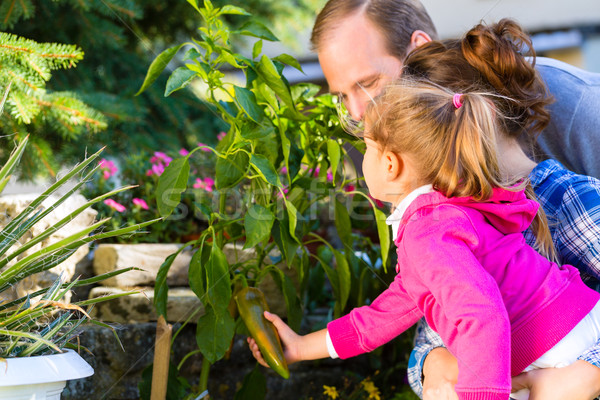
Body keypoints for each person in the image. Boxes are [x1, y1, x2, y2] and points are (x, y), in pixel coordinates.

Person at [247, 73, 600, 400]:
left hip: (553, 343)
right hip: (568, 325)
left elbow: (482, 316)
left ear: (390, 164)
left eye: (367, 147)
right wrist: (300, 347)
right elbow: (384, 315)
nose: (362, 158)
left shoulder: (427, 232)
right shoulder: (443, 215)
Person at [310, 1, 600, 398]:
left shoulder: (575, 129)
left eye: (368, 83)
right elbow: (436, 317)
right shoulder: (433, 196)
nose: (358, 113)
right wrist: (435, 365)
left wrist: (588, 373)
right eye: (341, 96)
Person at [397, 19, 600, 400]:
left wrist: (588, 373)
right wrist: (432, 363)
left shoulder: (569, 202)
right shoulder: (451, 222)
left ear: (478, 117)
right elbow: (427, 338)